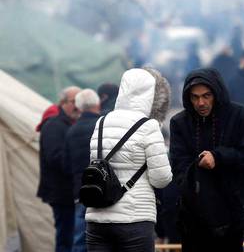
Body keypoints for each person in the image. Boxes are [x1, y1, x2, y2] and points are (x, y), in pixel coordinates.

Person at [170, 68, 244, 252]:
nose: (201, 102)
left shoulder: (239, 116)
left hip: (230, 214)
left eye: (206, 95)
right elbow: (178, 165)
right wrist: (196, 173)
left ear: (216, 94)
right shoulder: (180, 122)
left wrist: (218, 156)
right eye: (195, 97)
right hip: (194, 217)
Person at [85, 68, 172, 252]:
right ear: (150, 94)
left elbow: (95, 163)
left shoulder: (101, 122)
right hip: (134, 219)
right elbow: (161, 179)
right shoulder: (149, 127)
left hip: (97, 217)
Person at [37, 86, 81, 252]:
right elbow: (54, 157)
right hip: (61, 192)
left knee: (70, 237)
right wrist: (78, 167)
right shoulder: (54, 125)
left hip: (69, 191)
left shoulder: (69, 123)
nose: (78, 106)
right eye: (74, 101)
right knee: (66, 239)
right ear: (63, 103)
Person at [64, 89, 101, 252]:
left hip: (81, 191)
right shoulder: (103, 125)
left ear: (78, 107)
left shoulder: (71, 131)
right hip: (104, 190)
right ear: (98, 103)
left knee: (80, 239)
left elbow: (66, 164)